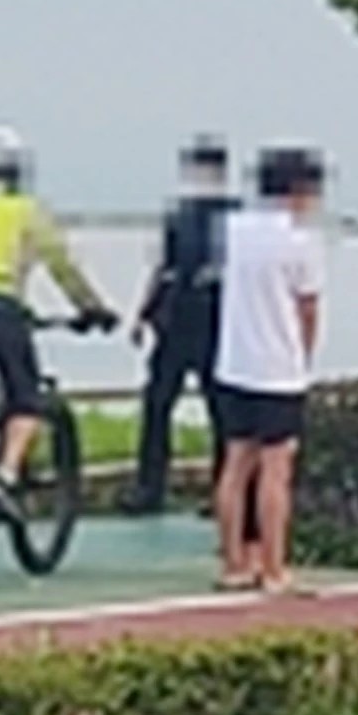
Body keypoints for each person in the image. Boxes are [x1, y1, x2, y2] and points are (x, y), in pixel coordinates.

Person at [0, 124, 117, 517]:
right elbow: (62, 266)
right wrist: (92, 308)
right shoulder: (24, 210)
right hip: (0, 311)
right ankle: (5, 476)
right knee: (24, 397)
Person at [213, 145, 326, 593]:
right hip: (279, 367)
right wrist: (305, 357)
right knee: (277, 470)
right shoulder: (302, 240)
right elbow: (309, 307)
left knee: (236, 463)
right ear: (299, 191)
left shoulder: (235, 230)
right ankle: (275, 568)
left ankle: (234, 564)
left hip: (234, 363)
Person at [120, 136, 238, 516]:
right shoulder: (180, 216)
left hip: (212, 321)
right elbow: (163, 269)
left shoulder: (234, 217)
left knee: (220, 410)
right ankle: (150, 487)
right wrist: (141, 315)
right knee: (158, 405)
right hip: (178, 322)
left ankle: (223, 492)